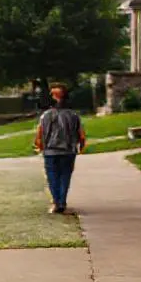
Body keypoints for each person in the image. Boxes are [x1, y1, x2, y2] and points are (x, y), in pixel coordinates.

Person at [34, 83, 86, 214]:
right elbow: (81, 134)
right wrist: (81, 146)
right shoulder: (73, 115)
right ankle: (62, 201)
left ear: (53, 97)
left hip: (50, 151)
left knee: (52, 177)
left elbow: (39, 135)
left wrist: (40, 147)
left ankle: (57, 202)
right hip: (68, 150)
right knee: (65, 176)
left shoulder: (45, 116)